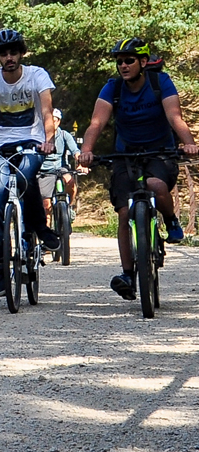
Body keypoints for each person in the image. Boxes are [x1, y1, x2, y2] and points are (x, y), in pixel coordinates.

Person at [78, 37, 199, 301]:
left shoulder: (160, 83)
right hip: (125, 155)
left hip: (160, 151)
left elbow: (174, 117)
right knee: (124, 213)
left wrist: (189, 144)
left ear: (143, 62)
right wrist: (86, 150)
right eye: (119, 61)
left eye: (129, 60)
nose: (123, 65)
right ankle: (128, 275)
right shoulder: (113, 88)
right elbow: (96, 123)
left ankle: (171, 221)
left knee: (156, 185)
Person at [0, 28, 59, 298]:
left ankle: (40, 228)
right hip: (1, 149)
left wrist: (49, 140)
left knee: (24, 178)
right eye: (4, 54)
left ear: (21, 53)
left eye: (14, 52)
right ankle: (0, 267)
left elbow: (46, 111)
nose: (9, 58)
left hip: (33, 143)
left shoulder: (36, 75)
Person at [39, 109, 82, 223]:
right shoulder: (39, 136)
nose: (53, 124)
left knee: (71, 182)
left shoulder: (64, 135)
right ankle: (47, 235)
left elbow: (75, 150)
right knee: (46, 205)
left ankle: (69, 207)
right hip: (44, 169)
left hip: (60, 167)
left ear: (59, 122)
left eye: (55, 121)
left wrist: (81, 162)